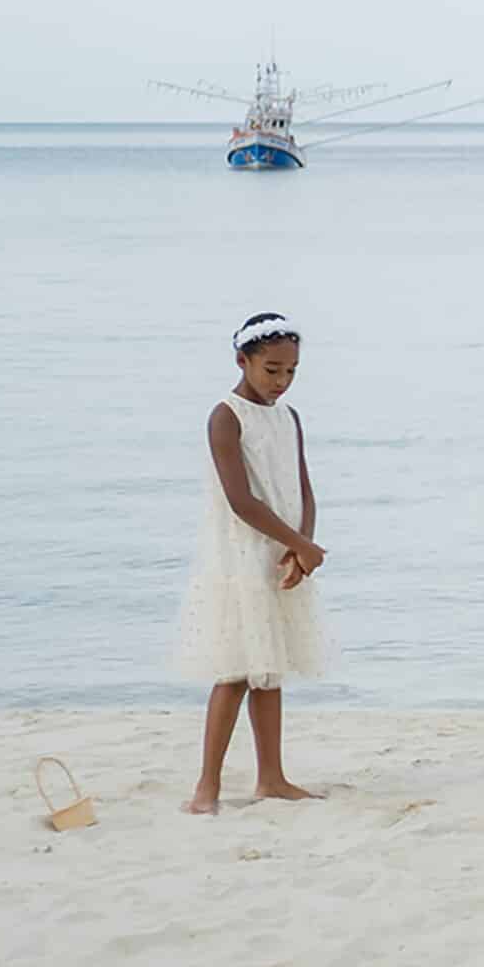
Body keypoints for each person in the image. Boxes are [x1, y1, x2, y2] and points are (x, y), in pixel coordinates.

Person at [173, 313, 334, 815]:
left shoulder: (290, 417)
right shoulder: (226, 416)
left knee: (271, 667)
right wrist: (297, 544)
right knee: (238, 669)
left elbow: (302, 486)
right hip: (242, 553)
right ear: (242, 361)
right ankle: (207, 787)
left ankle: (272, 778)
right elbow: (240, 499)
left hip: (282, 551)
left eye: (291, 371)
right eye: (271, 370)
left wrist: (302, 544)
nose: (281, 382)